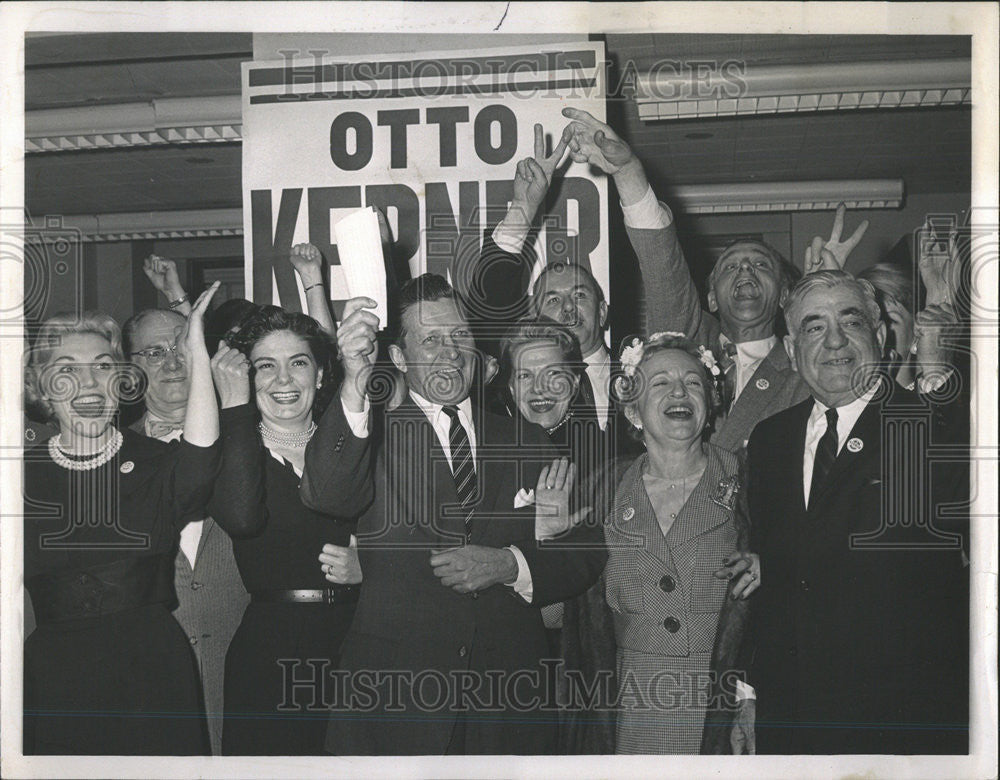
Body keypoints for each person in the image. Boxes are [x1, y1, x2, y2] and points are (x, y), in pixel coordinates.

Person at [300, 274, 607, 755]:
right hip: (396, 701)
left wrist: (510, 564)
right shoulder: (371, 434)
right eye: (431, 339)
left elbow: (585, 555)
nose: (450, 350)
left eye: (460, 335)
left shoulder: (526, 438)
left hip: (506, 705)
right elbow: (327, 495)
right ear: (398, 358)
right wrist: (355, 379)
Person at [731, 270, 968, 754]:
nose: (835, 340)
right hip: (793, 716)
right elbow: (773, 578)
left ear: (879, 336)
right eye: (814, 326)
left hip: (900, 722)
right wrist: (751, 693)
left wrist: (936, 373)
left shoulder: (924, 422)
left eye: (851, 321)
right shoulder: (771, 439)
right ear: (793, 352)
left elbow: (956, 493)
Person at [22, 285, 221, 754]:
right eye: (66, 370)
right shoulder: (18, 478)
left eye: (103, 367)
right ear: (42, 387)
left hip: (152, 674)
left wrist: (195, 345)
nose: (88, 383)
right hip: (53, 678)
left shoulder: (155, 462)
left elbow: (202, 457)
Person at [559, 108, 822, 453]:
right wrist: (628, 172)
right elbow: (664, 268)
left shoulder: (802, 363)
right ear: (711, 298)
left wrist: (819, 300)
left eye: (760, 264)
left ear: (786, 294)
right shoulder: (687, 343)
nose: (745, 270)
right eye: (730, 267)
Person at [209, 305, 360, 755]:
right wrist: (234, 407)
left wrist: (370, 560)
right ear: (246, 377)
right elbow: (241, 518)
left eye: (298, 363)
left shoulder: (353, 442)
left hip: (360, 643)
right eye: (265, 367)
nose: (283, 380)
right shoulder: (227, 451)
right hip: (273, 657)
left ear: (318, 375)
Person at [603, 332, 757, 754]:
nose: (679, 391)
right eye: (660, 383)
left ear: (710, 405)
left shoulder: (750, 482)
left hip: (721, 715)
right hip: (633, 714)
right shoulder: (602, 489)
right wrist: (548, 538)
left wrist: (751, 699)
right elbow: (561, 617)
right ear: (632, 409)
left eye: (693, 382)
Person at [124, 285, 248, 756]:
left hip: (244, 671)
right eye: (154, 353)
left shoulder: (248, 439)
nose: (172, 363)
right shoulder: (108, 460)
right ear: (129, 369)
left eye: (182, 347)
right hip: (152, 680)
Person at [496, 316, 616, 753]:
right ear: (509, 387)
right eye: (525, 376)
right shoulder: (483, 456)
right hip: (506, 664)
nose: (539, 389)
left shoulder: (613, 459)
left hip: (592, 665)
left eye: (553, 376)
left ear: (577, 380)